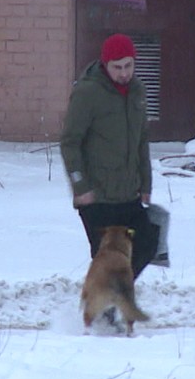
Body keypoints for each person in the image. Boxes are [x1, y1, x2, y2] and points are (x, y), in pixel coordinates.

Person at [60, 33, 161, 279]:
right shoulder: (88, 92)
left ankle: (111, 299)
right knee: (107, 258)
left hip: (128, 193)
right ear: (106, 65)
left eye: (129, 65)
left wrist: (146, 183)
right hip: (97, 196)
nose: (124, 73)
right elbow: (70, 142)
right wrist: (80, 186)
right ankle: (105, 308)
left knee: (147, 245)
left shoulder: (137, 91)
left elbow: (141, 140)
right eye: (117, 67)